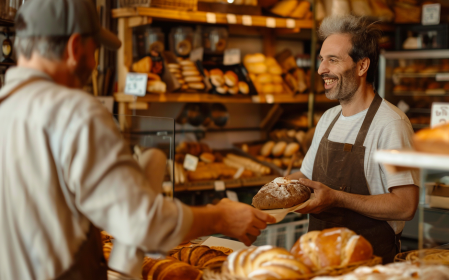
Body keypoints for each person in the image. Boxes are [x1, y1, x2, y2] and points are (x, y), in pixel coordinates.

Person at [0, 0, 274, 279]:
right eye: (93, 51)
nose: (95, 64)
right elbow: (142, 224)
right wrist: (220, 217)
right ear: (74, 48)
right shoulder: (74, 112)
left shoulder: (6, 108)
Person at [288, 15, 419, 263]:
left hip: (368, 264)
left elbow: (405, 206)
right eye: (321, 60)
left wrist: (337, 198)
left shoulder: (391, 124)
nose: (321, 70)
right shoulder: (328, 118)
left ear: (362, 66)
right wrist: (276, 188)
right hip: (319, 262)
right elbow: (305, 178)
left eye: (333, 60)